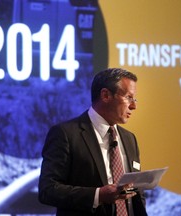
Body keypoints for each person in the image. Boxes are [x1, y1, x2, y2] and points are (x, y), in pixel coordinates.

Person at [38, 68, 147, 216]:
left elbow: (135, 193)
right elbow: (48, 190)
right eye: (128, 97)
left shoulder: (129, 139)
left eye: (134, 99)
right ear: (106, 95)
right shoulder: (66, 134)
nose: (134, 106)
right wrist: (98, 195)